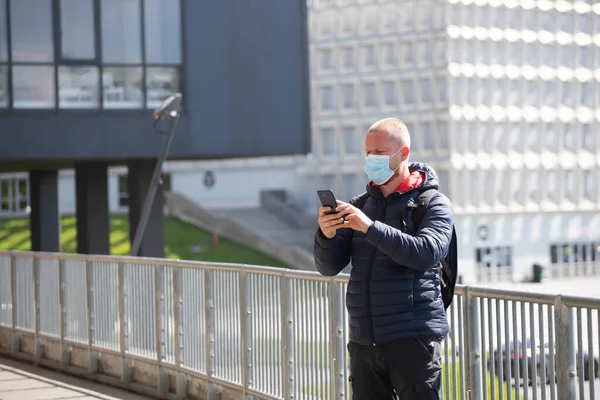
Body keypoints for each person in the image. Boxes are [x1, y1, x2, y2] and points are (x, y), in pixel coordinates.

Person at [313, 118, 454, 399]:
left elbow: (426, 252)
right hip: (364, 340)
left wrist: (370, 228)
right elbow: (328, 267)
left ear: (403, 154)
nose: (370, 159)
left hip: (412, 339)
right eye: (367, 153)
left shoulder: (433, 203)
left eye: (378, 153)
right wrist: (326, 235)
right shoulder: (359, 206)